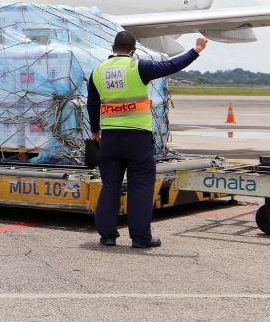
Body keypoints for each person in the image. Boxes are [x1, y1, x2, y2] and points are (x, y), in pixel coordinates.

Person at [88, 30, 207, 249]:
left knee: (110, 185)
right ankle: (141, 238)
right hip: (137, 138)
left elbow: (92, 104)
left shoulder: (98, 70)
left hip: (110, 137)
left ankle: (107, 236)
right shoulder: (138, 67)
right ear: (133, 50)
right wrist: (196, 50)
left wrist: (95, 131)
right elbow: (171, 66)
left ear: (113, 48)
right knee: (140, 186)